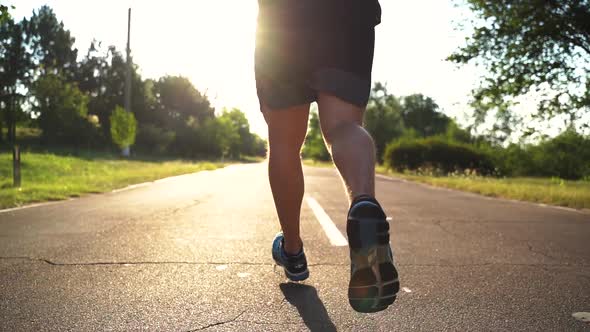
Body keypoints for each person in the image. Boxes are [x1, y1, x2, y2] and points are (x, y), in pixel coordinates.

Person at [255, 0, 399, 313]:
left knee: (283, 141)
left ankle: (292, 251)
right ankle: (363, 203)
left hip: (283, 17)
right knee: (344, 127)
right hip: (347, 13)